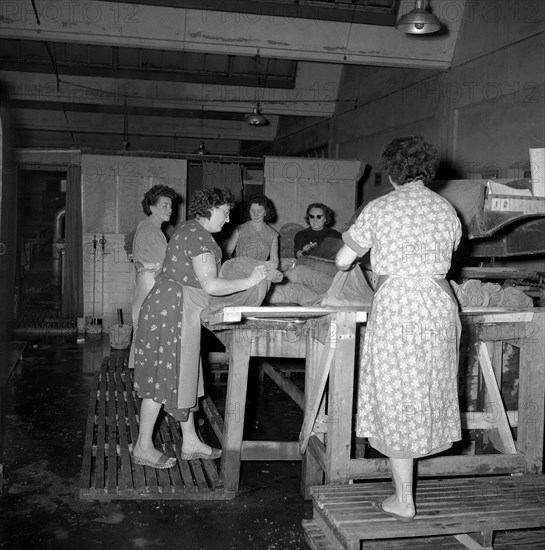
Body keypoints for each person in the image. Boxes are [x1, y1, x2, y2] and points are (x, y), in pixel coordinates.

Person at [335, 136, 462, 522]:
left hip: (397, 307)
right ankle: (407, 490)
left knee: (395, 395)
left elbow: (343, 261)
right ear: (427, 172)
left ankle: (404, 499)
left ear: (392, 173)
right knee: (427, 389)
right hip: (439, 305)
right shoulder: (446, 209)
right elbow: (449, 255)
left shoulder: (379, 208)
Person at [131, 188, 267, 469]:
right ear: (211, 208)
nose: (228, 220)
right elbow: (211, 285)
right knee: (164, 375)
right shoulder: (197, 235)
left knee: (185, 374)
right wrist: (251, 280)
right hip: (173, 309)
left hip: (176, 307)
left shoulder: (192, 231)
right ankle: (142, 446)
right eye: (225, 212)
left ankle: (190, 441)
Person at [128, 184, 177, 370]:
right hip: (152, 284)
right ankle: (150, 375)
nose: (170, 210)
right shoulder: (153, 231)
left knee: (141, 327)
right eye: (164, 205)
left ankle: (139, 371)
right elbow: (168, 265)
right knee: (151, 330)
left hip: (143, 281)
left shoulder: (145, 225)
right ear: (152, 207)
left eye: (170, 206)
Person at [225, 195, 279, 268]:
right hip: (238, 271)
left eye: (259, 211)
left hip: (258, 273)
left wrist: (269, 270)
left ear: (266, 212)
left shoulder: (273, 235)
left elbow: (274, 261)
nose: (255, 214)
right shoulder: (240, 229)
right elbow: (228, 252)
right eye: (252, 211)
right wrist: (231, 265)